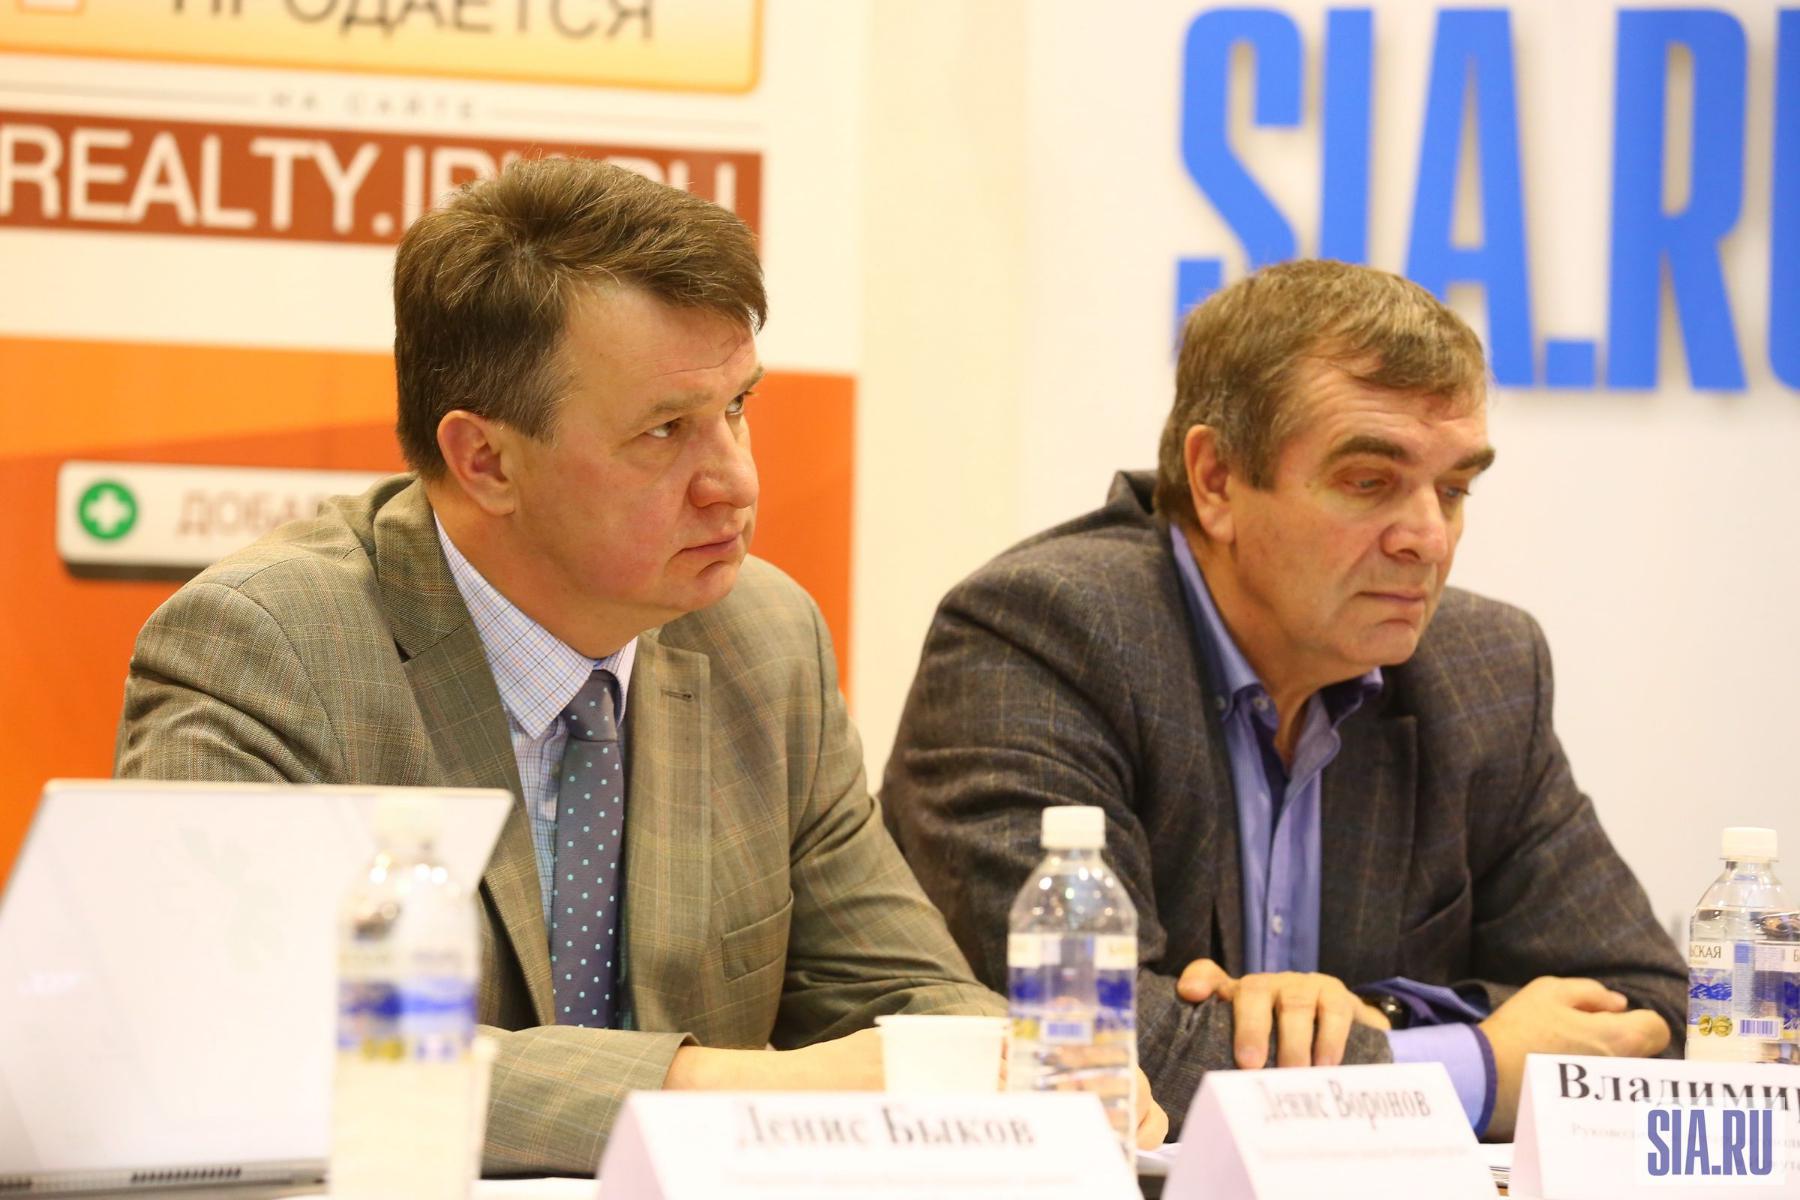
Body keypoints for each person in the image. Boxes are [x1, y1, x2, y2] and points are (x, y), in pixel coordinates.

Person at [115, 157, 1166, 1173]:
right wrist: (715, 1086)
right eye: (665, 431)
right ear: (486, 460)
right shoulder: (271, 647)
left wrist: (1032, 1073)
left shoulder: (764, 639)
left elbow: (900, 991)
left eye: (736, 408)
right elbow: (238, 1037)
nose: (734, 482)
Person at [881, 259, 1684, 1140]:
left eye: (1454, 489)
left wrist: (1377, 1016)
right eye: (1369, 482)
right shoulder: (1043, 634)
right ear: (1217, 479)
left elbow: (1652, 1009)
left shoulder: (1483, 668)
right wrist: (1474, 1066)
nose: (1428, 538)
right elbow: (1071, 1038)